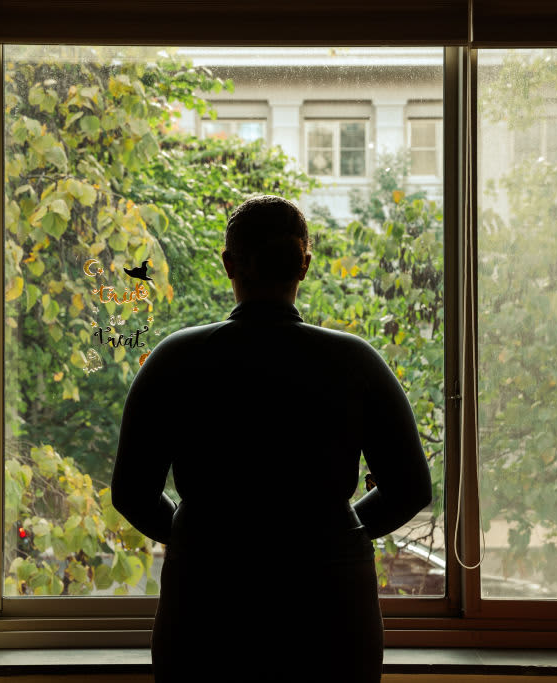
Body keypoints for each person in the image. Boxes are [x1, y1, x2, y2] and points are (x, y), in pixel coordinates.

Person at [112, 195, 432, 682]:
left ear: (228, 264)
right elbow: (410, 489)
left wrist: (198, 533)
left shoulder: (176, 360)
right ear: (305, 265)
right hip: (330, 604)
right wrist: (337, 529)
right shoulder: (355, 362)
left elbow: (131, 492)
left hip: (207, 602)